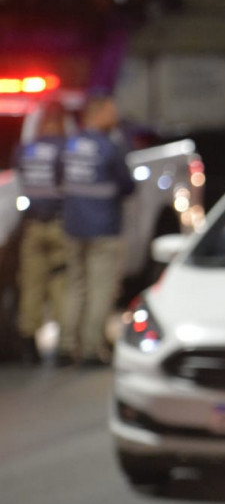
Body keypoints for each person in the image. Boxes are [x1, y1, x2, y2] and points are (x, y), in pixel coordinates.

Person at [60, 93, 135, 367]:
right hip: (104, 229)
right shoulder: (109, 147)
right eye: (111, 111)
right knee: (100, 289)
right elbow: (128, 185)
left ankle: (66, 345)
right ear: (98, 112)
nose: (115, 117)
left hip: (73, 227)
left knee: (75, 287)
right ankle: (92, 349)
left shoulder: (69, 145)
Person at [14, 102, 69, 365]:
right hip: (58, 225)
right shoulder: (64, 148)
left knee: (31, 284)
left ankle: (29, 344)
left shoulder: (24, 150)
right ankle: (62, 344)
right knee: (60, 283)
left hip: (32, 226)